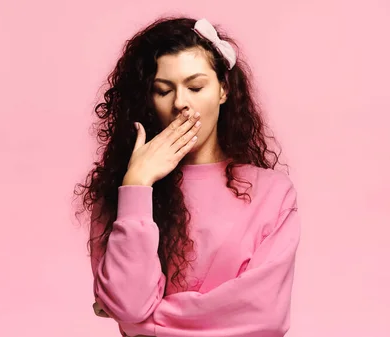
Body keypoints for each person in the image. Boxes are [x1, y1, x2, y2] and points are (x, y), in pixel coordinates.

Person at [74, 16, 301, 337]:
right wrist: (137, 186)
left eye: (195, 87)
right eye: (163, 90)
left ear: (223, 89)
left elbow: (264, 318)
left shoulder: (273, 193)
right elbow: (129, 306)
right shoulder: (120, 190)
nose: (181, 103)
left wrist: (146, 324)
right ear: (147, 100)